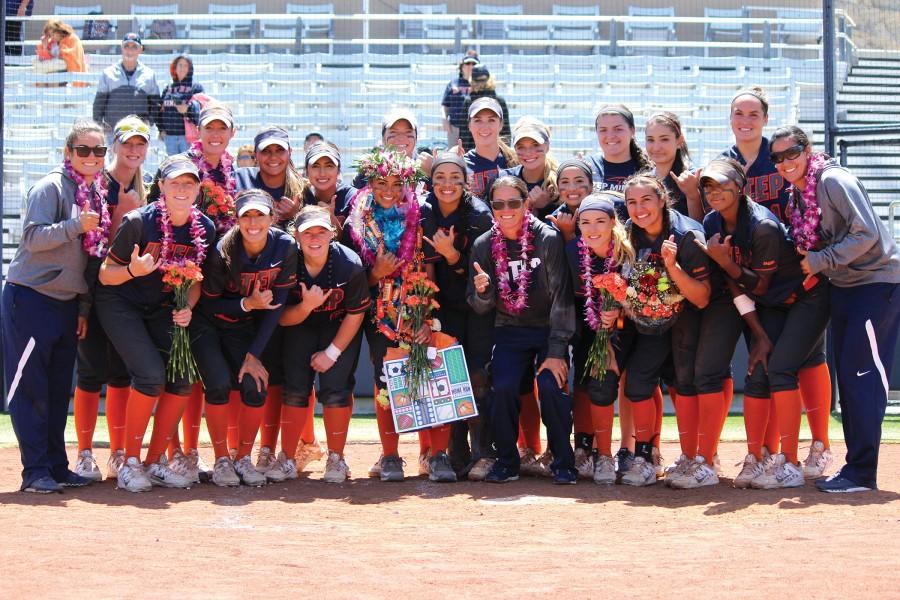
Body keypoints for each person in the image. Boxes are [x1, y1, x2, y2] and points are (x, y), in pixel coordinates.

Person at [676, 157, 826, 490]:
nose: (714, 192)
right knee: (758, 374)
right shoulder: (713, 221)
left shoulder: (762, 226)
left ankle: (790, 461)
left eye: (722, 184)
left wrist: (725, 261)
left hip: (806, 297)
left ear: (740, 187)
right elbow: (736, 286)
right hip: (769, 305)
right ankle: (758, 458)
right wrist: (758, 334)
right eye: (708, 186)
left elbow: (757, 284)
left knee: (782, 369)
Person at [770, 126, 900, 493]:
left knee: (864, 379)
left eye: (792, 152)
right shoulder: (796, 192)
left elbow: (867, 233)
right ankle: (855, 468)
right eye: (777, 157)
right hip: (844, 286)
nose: (785, 162)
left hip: (875, 285)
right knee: (850, 376)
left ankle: (862, 473)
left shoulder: (833, 180)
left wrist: (820, 259)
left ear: (808, 150)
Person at [722, 87, 834, 475]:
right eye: (739, 113)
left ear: (766, 119)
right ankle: (766, 453)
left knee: (808, 359)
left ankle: (819, 444)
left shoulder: (781, 155)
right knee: (766, 362)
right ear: (730, 118)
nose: (746, 120)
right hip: (754, 280)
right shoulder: (725, 164)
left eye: (754, 113)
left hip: (800, 275)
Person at [95, 155, 216, 493]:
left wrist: (188, 307)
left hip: (162, 306)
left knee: (182, 377)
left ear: (197, 189)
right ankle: (129, 463)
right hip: (120, 302)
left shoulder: (203, 228)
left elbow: (196, 280)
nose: (182, 188)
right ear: (160, 186)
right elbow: (106, 275)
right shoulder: (138, 222)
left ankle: (153, 462)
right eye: (174, 182)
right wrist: (135, 270)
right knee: (149, 374)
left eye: (189, 183)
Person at [2, 119, 105, 493]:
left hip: (65, 303)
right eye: (84, 150)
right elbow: (31, 238)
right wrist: (75, 225)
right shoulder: (50, 187)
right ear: (68, 152)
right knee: (31, 389)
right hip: (31, 298)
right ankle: (35, 472)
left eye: (99, 151)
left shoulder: (94, 192)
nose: (92, 156)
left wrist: (81, 307)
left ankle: (57, 467)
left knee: (59, 390)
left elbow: (87, 259)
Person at [342, 146, 447, 482]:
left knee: (429, 376)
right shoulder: (357, 217)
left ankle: (433, 454)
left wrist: (427, 315)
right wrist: (376, 273)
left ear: (406, 184)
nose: (388, 191)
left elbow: (431, 268)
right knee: (385, 379)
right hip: (380, 314)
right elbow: (354, 276)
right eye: (380, 183)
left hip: (419, 306)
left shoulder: (422, 212)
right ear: (369, 182)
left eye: (395, 184)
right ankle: (390, 456)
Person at [468, 176, 577, 484]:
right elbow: (479, 306)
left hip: (548, 328)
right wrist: (484, 292)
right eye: (498, 204)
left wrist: (556, 351)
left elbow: (561, 298)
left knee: (550, 384)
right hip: (509, 328)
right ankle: (507, 460)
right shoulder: (483, 245)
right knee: (501, 387)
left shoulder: (548, 239)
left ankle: (563, 460)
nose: (506, 210)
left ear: (527, 204)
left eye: (513, 203)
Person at [191, 190, 297, 486]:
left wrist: (254, 355)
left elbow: (276, 306)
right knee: (219, 384)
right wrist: (246, 304)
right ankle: (222, 459)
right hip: (208, 324)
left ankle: (243, 458)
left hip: (243, 328)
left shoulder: (285, 246)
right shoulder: (222, 250)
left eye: (259, 215)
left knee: (256, 384)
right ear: (236, 219)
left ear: (272, 218)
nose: (253, 222)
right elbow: (209, 304)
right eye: (246, 215)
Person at [617, 174, 710, 487]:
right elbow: (633, 284)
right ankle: (646, 457)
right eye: (632, 201)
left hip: (691, 318)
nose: (639, 208)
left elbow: (701, 297)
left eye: (646, 200)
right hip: (651, 323)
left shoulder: (686, 235)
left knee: (685, 383)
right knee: (638, 381)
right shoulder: (629, 235)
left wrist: (673, 268)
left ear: (662, 200)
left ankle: (694, 458)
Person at [72, 116, 150, 482]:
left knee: (121, 374)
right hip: (93, 287)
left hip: (128, 294)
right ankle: (84, 454)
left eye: (140, 144)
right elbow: (89, 248)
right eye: (127, 143)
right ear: (115, 146)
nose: (133, 150)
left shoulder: (146, 188)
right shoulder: (96, 186)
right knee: (89, 372)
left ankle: (119, 453)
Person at [277, 206, 370, 483]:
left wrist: (332, 352)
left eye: (321, 231)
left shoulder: (349, 264)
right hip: (298, 324)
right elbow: (280, 318)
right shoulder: (285, 260)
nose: (314, 238)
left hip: (338, 326)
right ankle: (288, 457)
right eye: (308, 232)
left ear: (333, 233)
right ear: (296, 234)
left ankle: (336, 458)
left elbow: (356, 313)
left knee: (337, 390)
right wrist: (306, 306)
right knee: (294, 389)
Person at [421, 153, 495, 479]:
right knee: (447, 375)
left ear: (466, 181)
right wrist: (425, 310)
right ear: (431, 181)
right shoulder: (425, 211)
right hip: (444, 305)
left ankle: (483, 450)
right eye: (440, 177)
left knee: (477, 373)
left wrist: (452, 255)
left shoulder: (478, 214)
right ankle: (454, 449)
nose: (447, 184)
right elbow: (424, 266)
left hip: (476, 305)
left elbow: (480, 272)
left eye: (455, 177)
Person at [565, 192, 635, 483]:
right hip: (585, 325)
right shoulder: (571, 251)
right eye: (585, 222)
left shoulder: (628, 253)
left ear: (613, 223)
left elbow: (638, 300)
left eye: (600, 222)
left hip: (626, 327)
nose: (592, 229)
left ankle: (609, 455)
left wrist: (618, 304)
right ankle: (587, 450)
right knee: (585, 383)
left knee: (606, 381)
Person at [235, 126, 306, 231]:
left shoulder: (303, 189)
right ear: (255, 154)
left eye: (280, 150)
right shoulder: (239, 178)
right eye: (266, 151)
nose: (273, 157)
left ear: (290, 152)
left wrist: (296, 215)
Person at [93, 33, 160, 138]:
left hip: (139, 132)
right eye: (126, 46)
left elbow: (155, 104)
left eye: (134, 47)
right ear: (121, 48)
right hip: (113, 132)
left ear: (140, 49)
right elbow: (99, 103)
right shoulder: (108, 73)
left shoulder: (149, 74)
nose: (130, 50)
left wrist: (149, 122)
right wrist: (99, 124)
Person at [644, 112, 703, 221]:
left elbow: (700, 228)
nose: (656, 147)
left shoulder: (693, 178)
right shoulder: (644, 181)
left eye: (664, 139)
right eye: (650, 140)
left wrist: (693, 196)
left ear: (679, 141)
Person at [499, 118, 559, 219]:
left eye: (535, 145)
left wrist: (546, 207)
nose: (528, 153)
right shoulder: (504, 178)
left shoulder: (561, 180)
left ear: (547, 146)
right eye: (521, 147)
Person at [463, 96, 517, 199]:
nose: (484, 127)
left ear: (501, 124)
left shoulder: (516, 161)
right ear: (469, 125)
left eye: (491, 120)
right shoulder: (461, 165)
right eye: (478, 120)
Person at [456, 65, 511, 152]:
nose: (481, 83)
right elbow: (506, 132)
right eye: (479, 80)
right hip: (494, 153)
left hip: (475, 155)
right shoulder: (499, 101)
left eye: (483, 80)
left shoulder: (469, 101)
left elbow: (464, 134)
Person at [302, 141, 357, 226]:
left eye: (329, 166)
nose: (322, 173)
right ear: (306, 171)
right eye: (315, 166)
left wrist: (330, 216)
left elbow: (353, 238)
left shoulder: (353, 198)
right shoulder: (300, 197)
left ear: (338, 171)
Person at [159, 55, 203, 156]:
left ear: (190, 69)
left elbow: (202, 111)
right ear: (175, 67)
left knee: (188, 166)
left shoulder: (196, 88)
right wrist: (161, 129)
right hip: (170, 137)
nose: (182, 68)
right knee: (174, 168)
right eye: (180, 65)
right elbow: (160, 110)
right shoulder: (168, 88)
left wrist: (187, 109)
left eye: (185, 65)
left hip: (188, 137)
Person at [442, 52, 479, 147]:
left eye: (474, 64)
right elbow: (445, 104)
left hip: (475, 128)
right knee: (453, 157)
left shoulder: (481, 84)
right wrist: (444, 119)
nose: (470, 66)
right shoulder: (453, 83)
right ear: (462, 67)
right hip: (455, 127)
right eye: (468, 63)